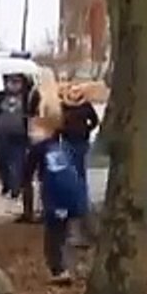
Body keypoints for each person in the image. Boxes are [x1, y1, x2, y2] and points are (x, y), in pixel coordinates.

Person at [32, 83, 86, 284]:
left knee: (53, 235)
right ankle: (69, 266)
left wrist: (19, 185)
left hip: (54, 198)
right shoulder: (64, 149)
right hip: (67, 197)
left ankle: (59, 269)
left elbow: (28, 171)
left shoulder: (41, 149)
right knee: (64, 232)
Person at [0, 72, 32, 200]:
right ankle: (6, 183)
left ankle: (16, 188)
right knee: (2, 162)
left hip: (20, 135)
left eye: (17, 82)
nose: (13, 85)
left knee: (18, 162)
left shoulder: (26, 98)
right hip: (2, 135)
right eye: (11, 82)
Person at [59, 81, 99, 214]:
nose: (75, 94)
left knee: (80, 172)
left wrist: (87, 129)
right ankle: (70, 204)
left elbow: (94, 120)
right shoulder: (63, 105)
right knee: (68, 173)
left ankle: (82, 205)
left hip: (81, 142)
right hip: (66, 141)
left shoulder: (86, 106)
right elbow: (57, 120)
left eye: (77, 91)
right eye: (72, 91)